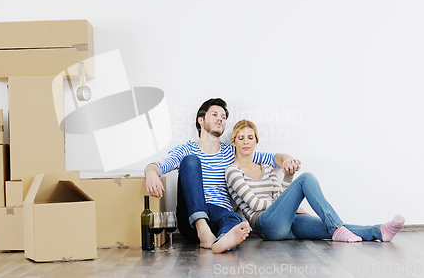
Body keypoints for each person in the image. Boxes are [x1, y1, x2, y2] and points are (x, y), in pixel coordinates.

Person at [144, 98, 301, 253]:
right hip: (191, 220)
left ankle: (221, 240)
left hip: (219, 215)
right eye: (215, 114)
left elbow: (274, 158)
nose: (220, 119)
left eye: (224, 117)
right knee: (191, 161)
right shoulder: (187, 149)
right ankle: (202, 228)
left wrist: (287, 160)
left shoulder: (232, 152)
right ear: (201, 120)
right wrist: (151, 173)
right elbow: (158, 165)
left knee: (235, 220)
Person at [226, 119, 405, 243]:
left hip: (288, 220)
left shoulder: (267, 168)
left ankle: (380, 231)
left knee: (328, 228)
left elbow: (281, 195)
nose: (246, 142)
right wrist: (290, 204)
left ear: (257, 141)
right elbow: (255, 204)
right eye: (240, 138)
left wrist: (288, 178)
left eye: (250, 138)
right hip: (266, 226)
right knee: (306, 178)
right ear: (234, 142)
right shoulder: (232, 170)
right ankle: (336, 227)